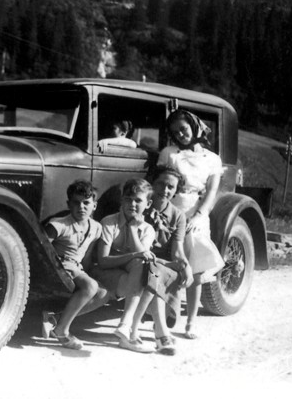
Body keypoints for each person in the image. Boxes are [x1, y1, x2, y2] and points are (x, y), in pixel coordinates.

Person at [158, 108, 226, 339]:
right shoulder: (170, 153)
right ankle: (164, 314)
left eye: (184, 129)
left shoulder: (212, 159)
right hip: (172, 209)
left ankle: (191, 321)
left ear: (195, 127)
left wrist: (199, 215)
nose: (181, 135)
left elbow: (211, 191)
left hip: (197, 211)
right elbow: (162, 184)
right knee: (168, 262)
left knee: (196, 270)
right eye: (176, 132)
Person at [40, 180, 109, 350]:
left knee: (103, 294)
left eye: (86, 203)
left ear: (94, 205)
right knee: (90, 286)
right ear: (68, 204)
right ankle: (62, 331)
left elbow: (86, 256)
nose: (81, 207)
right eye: (76, 203)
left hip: (76, 267)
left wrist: (86, 275)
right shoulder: (59, 225)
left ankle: (55, 319)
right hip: (59, 266)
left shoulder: (97, 228)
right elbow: (41, 250)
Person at [93, 178, 156, 353]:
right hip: (106, 273)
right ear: (121, 200)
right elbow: (103, 261)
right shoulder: (109, 222)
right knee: (142, 265)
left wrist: (134, 230)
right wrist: (135, 254)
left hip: (129, 277)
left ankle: (128, 328)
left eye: (138, 200)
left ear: (148, 204)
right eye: (128, 199)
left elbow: (142, 258)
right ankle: (130, 331)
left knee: (148, 269)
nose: (132, 204)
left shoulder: (148, 229)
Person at [138, 165, 194, 355]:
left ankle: (160, 329)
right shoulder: (140, 206)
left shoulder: (178, 216)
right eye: (160, 184)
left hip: (163, 263)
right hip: (140, 257)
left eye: (171, 187)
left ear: (176, 191)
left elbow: (177, 249)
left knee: (159, 272)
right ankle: (162, 333)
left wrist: (186, 265)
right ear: (152, 184)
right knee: (155, 271)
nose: (165, 190)